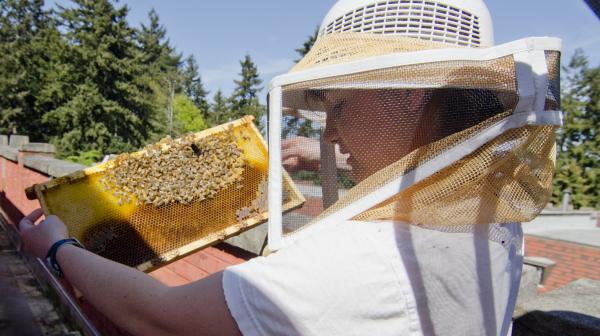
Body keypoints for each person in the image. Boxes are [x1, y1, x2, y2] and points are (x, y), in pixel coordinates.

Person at [19, 0, 561, 335]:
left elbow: (159, 317)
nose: (328, 132)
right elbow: (412, 165)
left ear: (410, 92)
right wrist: (318, 156)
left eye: (338, 106)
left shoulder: (365, 264)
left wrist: (58, 247)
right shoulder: (486, 218)